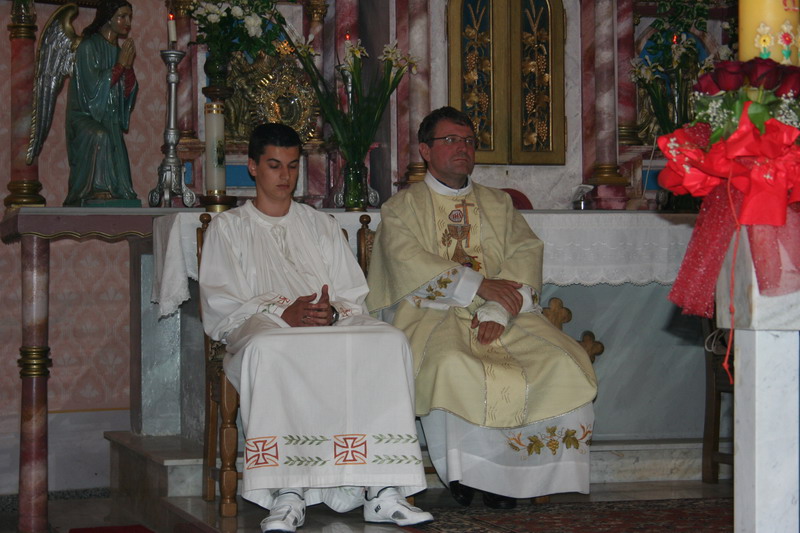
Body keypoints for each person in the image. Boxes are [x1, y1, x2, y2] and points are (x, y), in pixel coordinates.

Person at [199, 123, 432, 533]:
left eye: (292, 166)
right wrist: (284, 312)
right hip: (263, 333)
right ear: (252, 167)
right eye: (274, 165)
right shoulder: (228, 228)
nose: (285, 176)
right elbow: (223, 304)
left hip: (327, 331)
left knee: (389, 340)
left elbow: (351, 294)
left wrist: (331, 313)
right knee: (272, 348)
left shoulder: (320, 225)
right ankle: (288, 492)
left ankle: (380, 489)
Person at [366, 106, 598, 509]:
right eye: (451, 140)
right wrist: (480, 286)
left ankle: (517, 475)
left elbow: (525, 252)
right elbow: (407, 263)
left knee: (564, 359)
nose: (463, 148)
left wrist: (496, 310)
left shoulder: (497, 204)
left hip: (505, 314)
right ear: (425, 150)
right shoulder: (401, 208)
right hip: (432, 313)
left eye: (469, 141)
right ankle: (466, 473)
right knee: (452, 363)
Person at [64, 0, 139, 206]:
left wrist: (127, 69)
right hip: (84, 116)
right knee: (101, 136)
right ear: (108, 18)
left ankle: (116, 190)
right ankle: (96, 188)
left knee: (113, 141)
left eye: (129, 17)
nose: (128, 22)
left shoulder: (118, 50)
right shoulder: (88, 46)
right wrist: (120, 65)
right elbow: (92, 89)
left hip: (110, 118)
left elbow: (127, 92)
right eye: (122, 16)